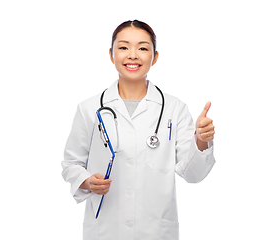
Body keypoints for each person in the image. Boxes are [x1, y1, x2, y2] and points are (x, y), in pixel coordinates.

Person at [61, 20, 216, 240]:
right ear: (111, 54)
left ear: (155, 57)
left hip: (155, 231)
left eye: (143, 48)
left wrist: (201, 141)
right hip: (106, 230)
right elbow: (71, 164)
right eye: (123, 47)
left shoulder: (174, 109)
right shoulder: (89, 108)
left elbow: (193, 175)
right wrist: (87, 181)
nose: (133, 55)